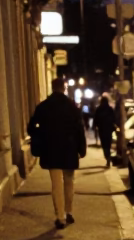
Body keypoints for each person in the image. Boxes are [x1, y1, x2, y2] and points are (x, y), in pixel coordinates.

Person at [27, 77, 87, 230]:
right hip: (69, 149)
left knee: (56, 184)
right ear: (64, 88)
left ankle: (60, 217)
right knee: (69, 181)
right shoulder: (72, 106)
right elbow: (80, 128)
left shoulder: (43, 106)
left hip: (51, 149)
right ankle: (69, 211)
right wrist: (82, 148)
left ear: (52, 88)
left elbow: (31, 128)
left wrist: (41, 134)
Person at [91, 93, 117, 166]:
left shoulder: (99, 109)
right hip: (108, 129)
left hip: (102, 129)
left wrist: (95, 126)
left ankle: (107, 157)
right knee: (108, 144)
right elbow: (114, 119)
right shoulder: (110, 109)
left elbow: (95, 119)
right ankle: (108, 157)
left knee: (104, 144)